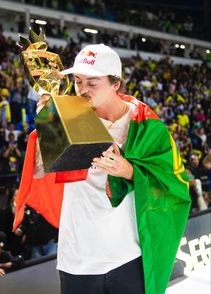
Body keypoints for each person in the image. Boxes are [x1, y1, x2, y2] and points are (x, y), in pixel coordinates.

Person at [14, 44, 191, 294]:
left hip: (128, 257)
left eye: (92, 83)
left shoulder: (144, 126)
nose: (82, 90)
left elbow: (175, 183)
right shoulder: (68, 116)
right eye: (77, 81)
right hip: (77, 260)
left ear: (115, 84)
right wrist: (47, 129)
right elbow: (40, 173)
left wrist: (130, 171)